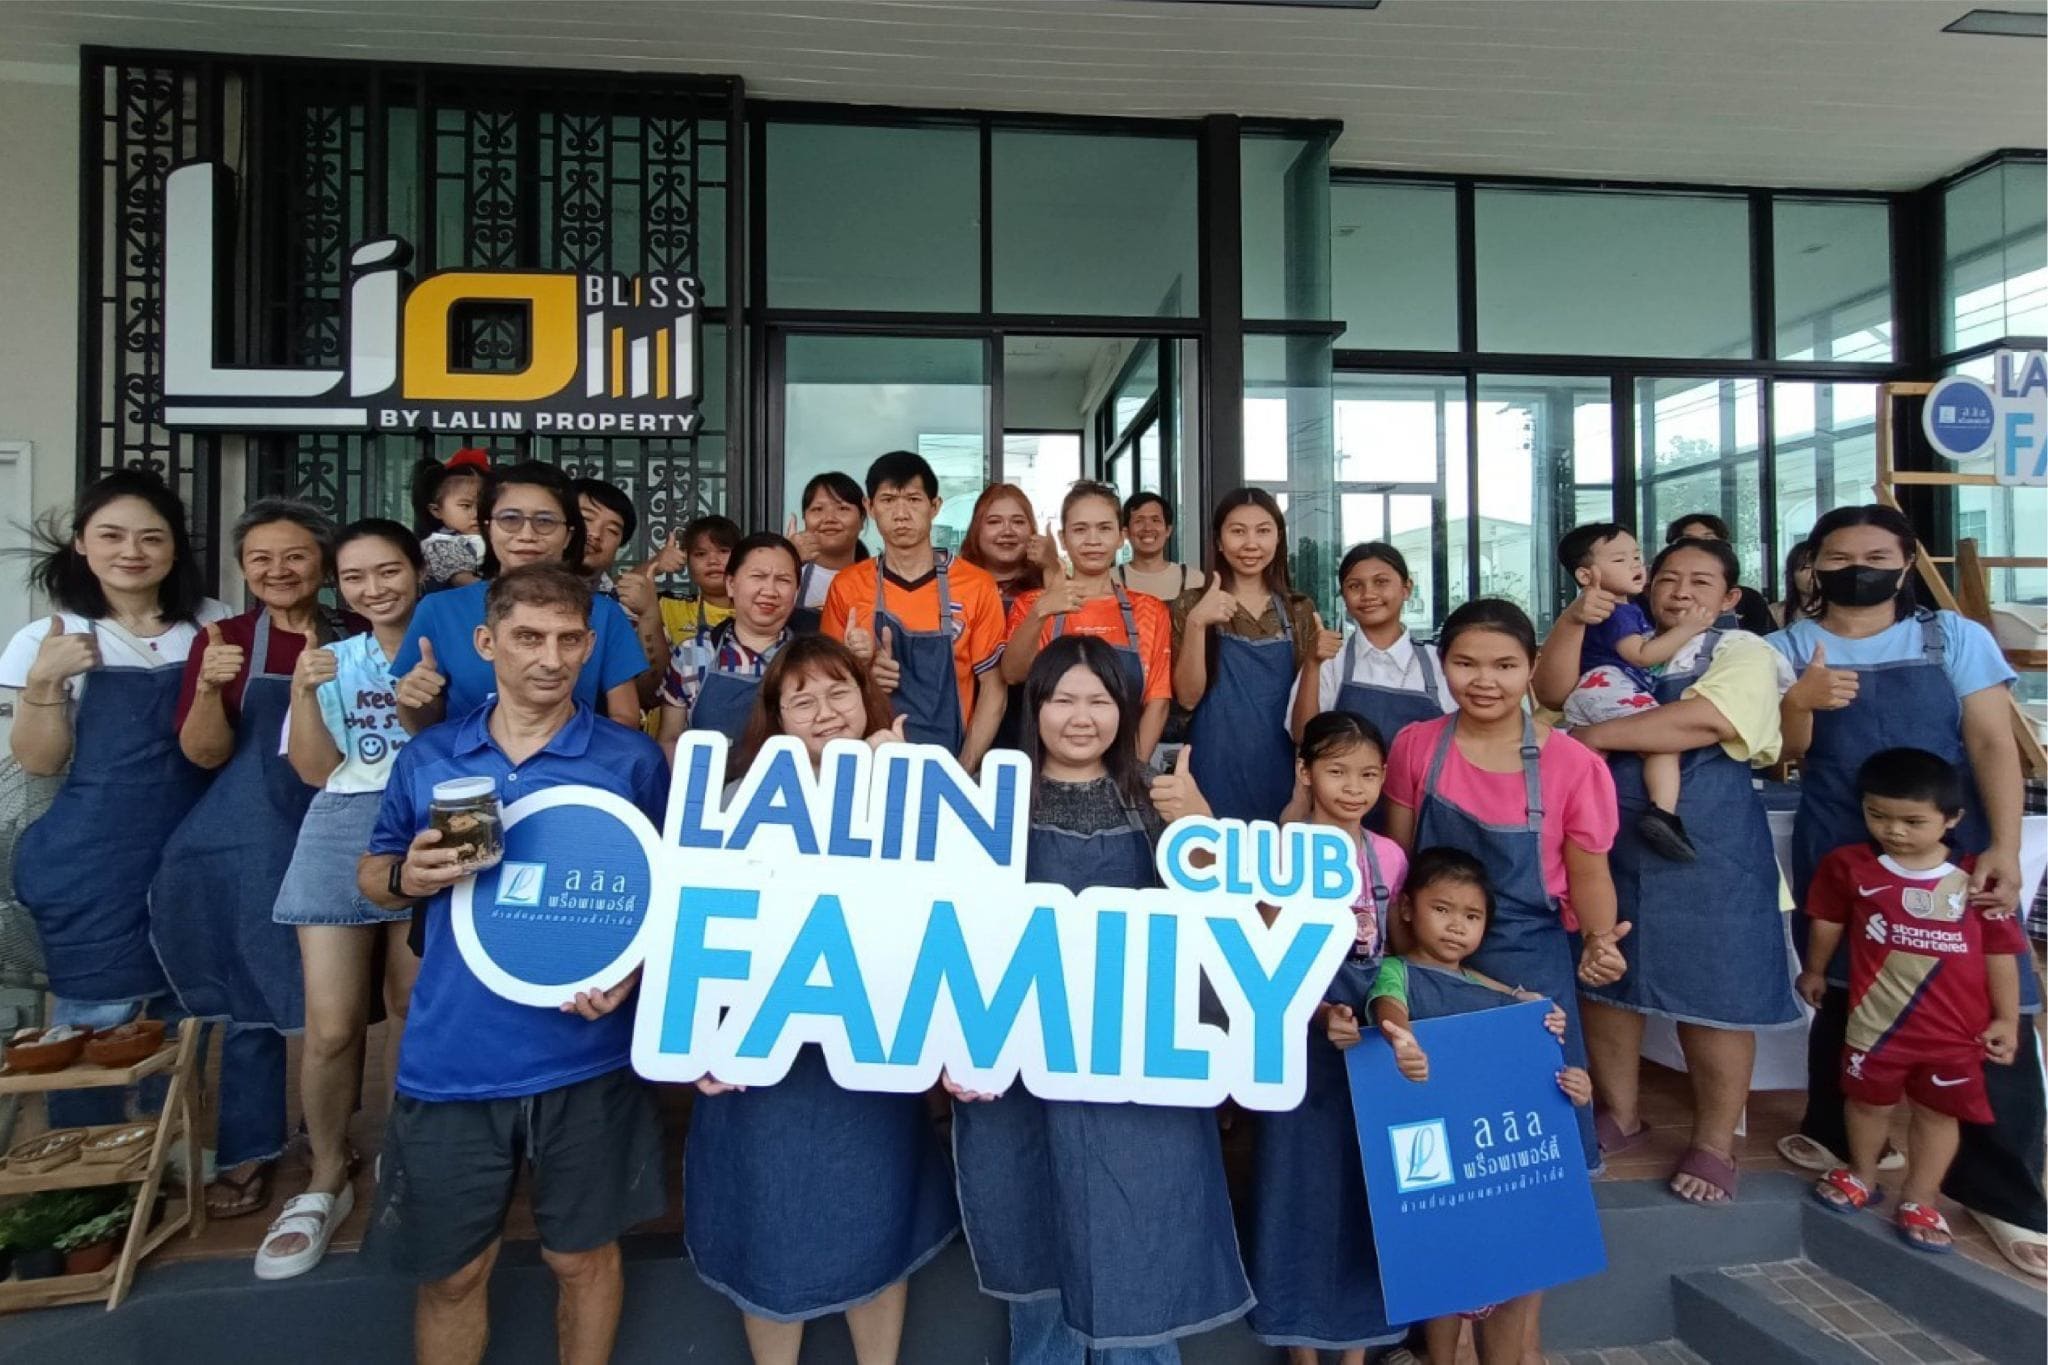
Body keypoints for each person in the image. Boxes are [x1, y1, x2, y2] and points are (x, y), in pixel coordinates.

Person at [357, 565, 668, 1365]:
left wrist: (634, 970)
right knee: (454, 1275)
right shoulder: (431, 755)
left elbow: (668, 895)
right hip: (453, 1056)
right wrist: (407, 876)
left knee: (582, 1259)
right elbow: (374, 870)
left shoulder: (631, 761)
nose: (550, 658)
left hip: (587, 1057)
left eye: (568, 639)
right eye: (528, 637)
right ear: (487, 642)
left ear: (591, 646)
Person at [951, 634, 1252, 1363]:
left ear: (1125, 709)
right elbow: (949, 929)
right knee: (1036, 1239)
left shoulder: (1161, 795)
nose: (1080, 717)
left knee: (1139, 1246)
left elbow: (1225, 928)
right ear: (1035, 708)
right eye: (1062, 699)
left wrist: (1202, 825)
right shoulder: (993, 800)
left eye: (1099, 700)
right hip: (1024, 1064)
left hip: (1137, 1069)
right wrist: (952, 1042)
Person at [1768, 503, 2043, 1277]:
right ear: (1813, 565)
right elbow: (1781, 752)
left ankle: (2002, 1190)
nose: (1857, 568)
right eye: (1838, 556)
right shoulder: (1785, 647)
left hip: (1953, 844)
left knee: (1988, 998)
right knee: (1847, 986)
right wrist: (1798, 702)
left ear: (1906, 561)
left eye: (1876, 555)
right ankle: (1845, 1137)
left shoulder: (1953, 636)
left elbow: (1991, 741)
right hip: (1842, 839)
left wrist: (2003, 846)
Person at [685, 635, 957, 1365]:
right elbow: (698, 931)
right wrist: (694, 1033)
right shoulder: (735, 803)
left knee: (878, 1215)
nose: (824, 712)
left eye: (839, 692)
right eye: (801, 700)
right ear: (775, 718)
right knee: (766, 1227)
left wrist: (896, 779)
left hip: (871, 1053)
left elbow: (953, 914)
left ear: (867, 700)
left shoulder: (911, 788)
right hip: (759, 1058)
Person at [1558, 538, 1804, 1204]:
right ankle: (1620, 1112)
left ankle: (1715, 1140)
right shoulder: (1621, 648)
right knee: (1607, 976)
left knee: (1718, 994)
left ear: (1730, 597)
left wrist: (1595, 737)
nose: (1681, 591)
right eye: (1668, 578)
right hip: (1613, 839)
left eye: (1701, 581)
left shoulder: (1743, 650)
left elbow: (1704, 721)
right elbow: (1556, 696)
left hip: (1712, 849)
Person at [2, 470, 232, 1132]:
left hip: (192, 850)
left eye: (150, 537)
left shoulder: (212, 623)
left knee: (186, 1015)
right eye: (111, 535)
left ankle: (168, 1158)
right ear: (81, 543)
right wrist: (45, 684)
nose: (132, 551)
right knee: (93, 1025)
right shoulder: (48, 636)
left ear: (174, 548)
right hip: (93, 861)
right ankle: (87, 1168)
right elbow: (40, 759)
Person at [154, 497, 354, 1219]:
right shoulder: (225, 641)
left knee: (343, 1010)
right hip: (256, 837)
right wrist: (210, 685)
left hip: (341, 825)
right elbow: (204, 753)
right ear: (242, 568)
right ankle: (248, 1148)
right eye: (260, 558)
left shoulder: (356, 635)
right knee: (255, 1001)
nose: (278, 569)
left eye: (295, 555)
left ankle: (327, 1137)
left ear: (323, 564)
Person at [1381, 598, 1627, 1170]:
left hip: (1529, 953)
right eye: (1466, 663)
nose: (1485, 681)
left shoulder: (1574, 765)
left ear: (1532, 666)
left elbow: (1590, 872)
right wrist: (1402, 948)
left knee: (1534, 1114)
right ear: (1443, 664)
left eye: (1505, 665)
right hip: (1430, 959)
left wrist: (1599, 941)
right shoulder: (1416, 745)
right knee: (1439, 1109)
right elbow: (1399, 864)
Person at [258, 519, 426, 1279]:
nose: (373, 588)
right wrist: (303, 689)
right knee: (330, 1026)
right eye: (355, 577)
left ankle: (402, 1154)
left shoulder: (455, 647)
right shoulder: (332, 658)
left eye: (388, 571)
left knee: (411, 1006)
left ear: (416, 571)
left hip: (424, 822)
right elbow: (314, 769)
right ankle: (326, 1170)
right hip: (341, 825)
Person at [1366, 848, 1589, 1365]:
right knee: (1445, 1281)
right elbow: (1387, 1005)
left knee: (1511, 1275)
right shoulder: (1396, 970)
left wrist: (1575, 1084)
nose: (1456, 926)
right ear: (1407, 908)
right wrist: (1401, 1038)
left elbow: (1534, 1062)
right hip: (1436, 1161)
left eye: (1472, 916)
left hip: (1495, 1165)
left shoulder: (1500, 995)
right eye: (1441, 909)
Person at [1800, 748, 2023, 1254]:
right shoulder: (1850, 867)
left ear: (1952, 818)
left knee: (1938, 1115)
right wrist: (1814, 970)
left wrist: (2007, 1019)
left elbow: (2001, 955)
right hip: (1875, 1027)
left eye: (1913, 821)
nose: (1894, 831)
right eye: (1877, 815)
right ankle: (1861, 1173)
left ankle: (1921, 1198)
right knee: (1865, 1103)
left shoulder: (1977, 881)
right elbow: (1827, 922)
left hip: (1954, 1037)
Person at [1246, 712, 1408, 1364]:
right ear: (1305, 771)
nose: (1353, 787)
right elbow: (1262, 955)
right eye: (1337, 771)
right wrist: (1318, 1011)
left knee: (1367, 1192)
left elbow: (1399, 957)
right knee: (1298, 1192)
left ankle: (1357, 1351)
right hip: (1299, 1049)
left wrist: (1382, 1013)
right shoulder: (1278, 855)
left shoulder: (1389, 856)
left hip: (1368, 1047)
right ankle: (1301, 1351)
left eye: (1368, 774)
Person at [392, 461, 646, 733]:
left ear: (568, 535)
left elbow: (624, 719)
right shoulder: (440, 610)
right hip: (464, 761)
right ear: (488, 528)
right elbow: (421, 729)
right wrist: (414, 699)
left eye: (545, 521)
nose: (527, 535)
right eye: (510, 519)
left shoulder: (604, 613)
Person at [822, 451, 1009, 765]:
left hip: (951, 760)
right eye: (888, 500)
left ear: (934, 506)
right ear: (869, 507)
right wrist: (862, 670)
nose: (901, 514)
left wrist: (963, 770)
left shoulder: (977, 585)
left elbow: (994, 688)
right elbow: (825, 684)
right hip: (867, 764)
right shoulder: (846, 586)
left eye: (913, 499)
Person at [1551, 523, 1713, 862]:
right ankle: (1663, 813)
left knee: (1591, 763)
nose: (1635, 565)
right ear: (1585, 575)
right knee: (1662, 741)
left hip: (1592, 690)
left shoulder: (1621, 609)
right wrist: (1688, 628)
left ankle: (1569, 812)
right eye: (1620, 560)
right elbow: (1641, 655)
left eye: (1637, 557)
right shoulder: (1618, 612)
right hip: (1608, 684)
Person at [1171, 488, 1322, 822]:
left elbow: (1306, 719)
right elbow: (1188, 698)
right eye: (1238, 531)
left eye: (1263, 531)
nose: (1251, 543)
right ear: (1219, 541)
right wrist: (1197, 623)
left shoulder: (1299, 609)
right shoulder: (1190, 603)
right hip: (1210, 768)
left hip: (1280, 772)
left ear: (1278, 539)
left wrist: (1304, 792)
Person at [1001, 481, 1174, 761]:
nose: (1093, 540)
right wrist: (1040, 612)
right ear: (1063, 538)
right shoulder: (1032, 604)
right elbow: (1012, 674)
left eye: (1104, 528)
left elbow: (1158, 701)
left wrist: (1133, 770)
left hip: (1124, 766)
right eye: (1080, 529)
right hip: (1045, 766)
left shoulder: (1150, 610)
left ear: (1121, 537)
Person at [1288, 541, 1451, 751]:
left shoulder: (1439, 662)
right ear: (1344, 596)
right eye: (1355, 586)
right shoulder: (1329, 661)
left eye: (1381, 582)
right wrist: (1312, 664)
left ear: (1407, 588)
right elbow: (1302, 735)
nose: (1368, 594)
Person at [656, 532, 799, 751]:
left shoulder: (812, 661)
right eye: (758, 576)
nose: (770, 591)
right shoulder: (693, 654)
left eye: (783, 580)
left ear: (797, 592)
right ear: (731, 584)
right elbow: (671, 739)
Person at [786, 470, 870, 634]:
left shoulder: (876, 581)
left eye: (842, 508)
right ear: (804, 519)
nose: (829, 518)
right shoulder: (788, 575)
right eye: (818, 509)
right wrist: (787, 559)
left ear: (862, 519)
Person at [1662, 513, 1774, 634]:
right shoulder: (1659, 596)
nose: (1700, 548)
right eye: (1688, 541)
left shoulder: (1750, 599)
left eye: (1709, 541)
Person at [959, 482, 1052, 614]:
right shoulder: (954, 585)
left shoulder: (1050, 582)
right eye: (994, 522)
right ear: (976, 530)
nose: (1007, 531)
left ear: (1032, 529)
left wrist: (1052, 569)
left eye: (1018, 522)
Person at [411, 448, 489, 592]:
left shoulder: (494, 537)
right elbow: (463, 580)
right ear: (437, 511)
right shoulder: (439, 545)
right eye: (466, 506)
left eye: (485, 505)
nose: (477, 514)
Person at [1112, 491, 1199, 602]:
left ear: (1168, 530)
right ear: (1126, 532)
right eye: (1139, 521)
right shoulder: (1110, 580)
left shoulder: (1194, 579)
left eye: (1155, 520)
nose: (1148, 528)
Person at [572, 476, 636, 599]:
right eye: (586, 519)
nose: (596, 533)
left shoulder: (621, 605)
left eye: (612, 530)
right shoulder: (532, 586)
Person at [1775, 539, 1816, 629]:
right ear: (1791, 575)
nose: (1813, 573)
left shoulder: (1842, 614)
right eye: (1806, 567)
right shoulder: (1775, 613)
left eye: (1817, 566)